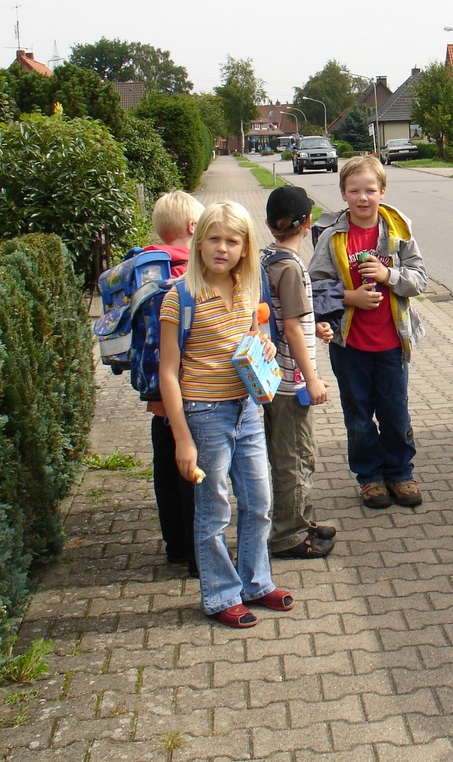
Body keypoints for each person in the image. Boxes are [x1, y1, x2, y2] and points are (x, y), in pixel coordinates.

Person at [158, 201, 294, 628]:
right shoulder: (179, 296)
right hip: (204, 414)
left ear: (245, 248)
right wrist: (182, 438)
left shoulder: (246, 289)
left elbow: (252, 336)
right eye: (213, 239)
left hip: (247, 409)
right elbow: (167, 372)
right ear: (198, 243)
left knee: (259, 501)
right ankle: (220, 595)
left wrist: (265, 346)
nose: (222, 248)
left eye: (232, 241)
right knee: (214, 507)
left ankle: (256, 582)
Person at [309, 155, 428, 510]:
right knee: (359, 415)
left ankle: (400, 473)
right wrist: (351, 298)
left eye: (370, 190)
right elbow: (313, 287)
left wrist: (389, 276)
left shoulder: (398, 234)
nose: (363, 198)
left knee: (395, 412)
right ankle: (370, 478)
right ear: (343, 194)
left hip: (392, 344)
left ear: (383, 191)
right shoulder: (331, 238)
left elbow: (420, 280)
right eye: (354, 191)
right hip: (350, 347)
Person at [261, 186, 338, 558]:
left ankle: (302, 519)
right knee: (294, 457)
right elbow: (291, 326)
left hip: (280, 378)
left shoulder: (269, 260)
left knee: (295, 452)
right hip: (291, 382)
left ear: (268, 224)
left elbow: (294, 322)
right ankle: (289, 535)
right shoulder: (291, 268)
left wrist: (317, 328)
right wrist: (311, 378)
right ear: (308, 223)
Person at [143, 190, 205, 577]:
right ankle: (201, 557)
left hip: (154, 394)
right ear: (193, 227)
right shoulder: (188, 273)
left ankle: (175, 547)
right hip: (189, 392)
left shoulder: (144, 267)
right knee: (193, 474)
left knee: (165, 469)